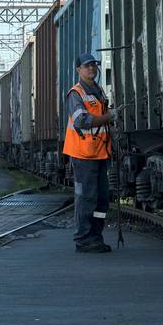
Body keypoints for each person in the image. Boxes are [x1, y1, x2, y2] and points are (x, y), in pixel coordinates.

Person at [62, 52, 115, 253]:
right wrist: (108, 117)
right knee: (86, 197)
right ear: (78, 70)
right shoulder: (76, 94)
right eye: (87, 66)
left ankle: (96, 236)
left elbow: (101, 122)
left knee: (101, 199)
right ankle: (83, 238)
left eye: (93, 65)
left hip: (100, 152)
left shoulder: (97, 91)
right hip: (83, 155)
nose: (92, 68)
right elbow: (81, 120)